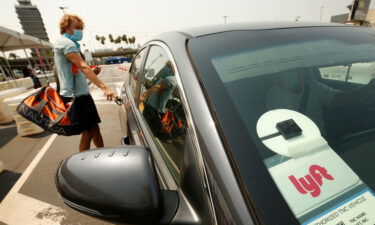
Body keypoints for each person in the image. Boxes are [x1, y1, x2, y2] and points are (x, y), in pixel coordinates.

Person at [54, 14, 116, 151]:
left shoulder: (72, 44)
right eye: (77, 27)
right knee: (87, 132)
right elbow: (82, 66)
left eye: (81, 28)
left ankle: (102, 152)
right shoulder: (65, 43)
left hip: (83, 95)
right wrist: (104, 88)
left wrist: (92, 74)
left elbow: (75, 73)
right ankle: (83, 163)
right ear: (65, 27)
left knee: (94, 128)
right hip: (76, 97)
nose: (80, 31)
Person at [266, 69, 375, 138]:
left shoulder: (313, 86)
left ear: (303, 73)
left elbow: (340, 98)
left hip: (322, 137)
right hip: (305, 144)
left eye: (294, 70)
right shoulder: (275, 94)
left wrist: (369, 88)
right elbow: (290, 131)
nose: (286, 74)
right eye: (285, 70)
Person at [140, 61, 179, 140]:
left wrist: (143, 95)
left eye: (167, 66)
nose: (165, 68)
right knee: (145, 131)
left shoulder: (171, 79)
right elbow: (155, 88)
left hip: (154, 110)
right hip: (150, 106)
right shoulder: (163, 78)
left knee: (146, 133)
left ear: (173, 69)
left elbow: (157, 87)